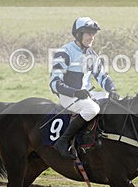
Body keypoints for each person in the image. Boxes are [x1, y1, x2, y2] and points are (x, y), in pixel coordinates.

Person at [49, 17, 119, 159]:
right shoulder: (64, 52)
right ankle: (63, 142)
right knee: (92, 109)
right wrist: (74, 92)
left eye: (93, 34)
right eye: (88, 33)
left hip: (86, 94)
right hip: (68, 96)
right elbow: (54, 83)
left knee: (120, 103)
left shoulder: (91, 54)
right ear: (78, 34)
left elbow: (102, 76)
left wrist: (113, 89)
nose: (91, 37)